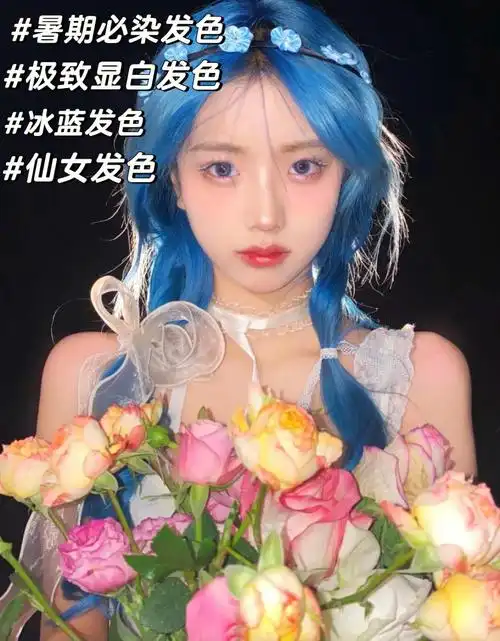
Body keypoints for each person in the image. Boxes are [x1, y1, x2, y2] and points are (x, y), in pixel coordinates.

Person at [30, 0, 477, 638]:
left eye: (304, 166)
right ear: (172, 178)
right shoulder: (93, 378)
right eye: (221, 168)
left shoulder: (419, 376)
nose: (265, 214)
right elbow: (67, 622)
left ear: (347, 175)